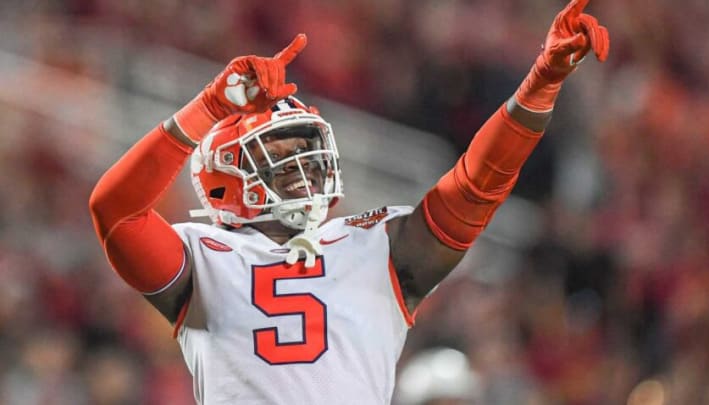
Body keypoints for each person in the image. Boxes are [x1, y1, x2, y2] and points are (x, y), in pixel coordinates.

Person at [88, 0, 609, 403]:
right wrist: (207, 107)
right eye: (279, 152)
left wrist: (540, 85)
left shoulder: (376, 242)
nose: (303, 165)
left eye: (307, 150)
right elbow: (115, 210)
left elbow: (475, 188)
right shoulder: (202, 256)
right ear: (226, 178)